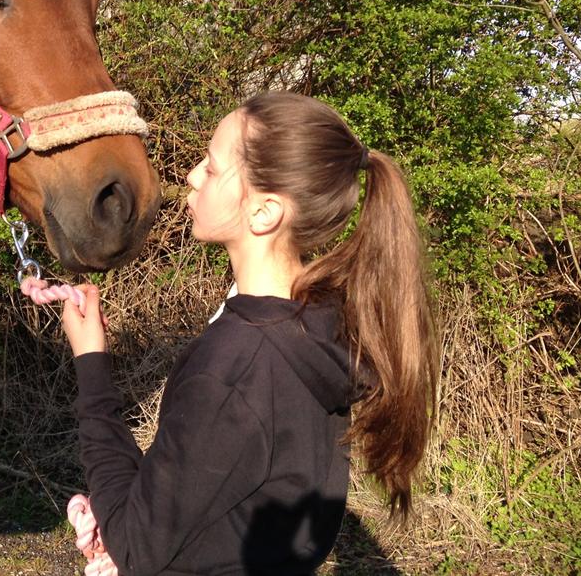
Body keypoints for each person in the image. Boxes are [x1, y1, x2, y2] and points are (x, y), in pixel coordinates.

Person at [60, 91, 438, 575]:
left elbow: (137, 546)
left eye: (213, 169)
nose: (193, 176)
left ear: (265, 213)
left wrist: (92, 368)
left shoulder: (236, 366)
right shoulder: (322, 327)